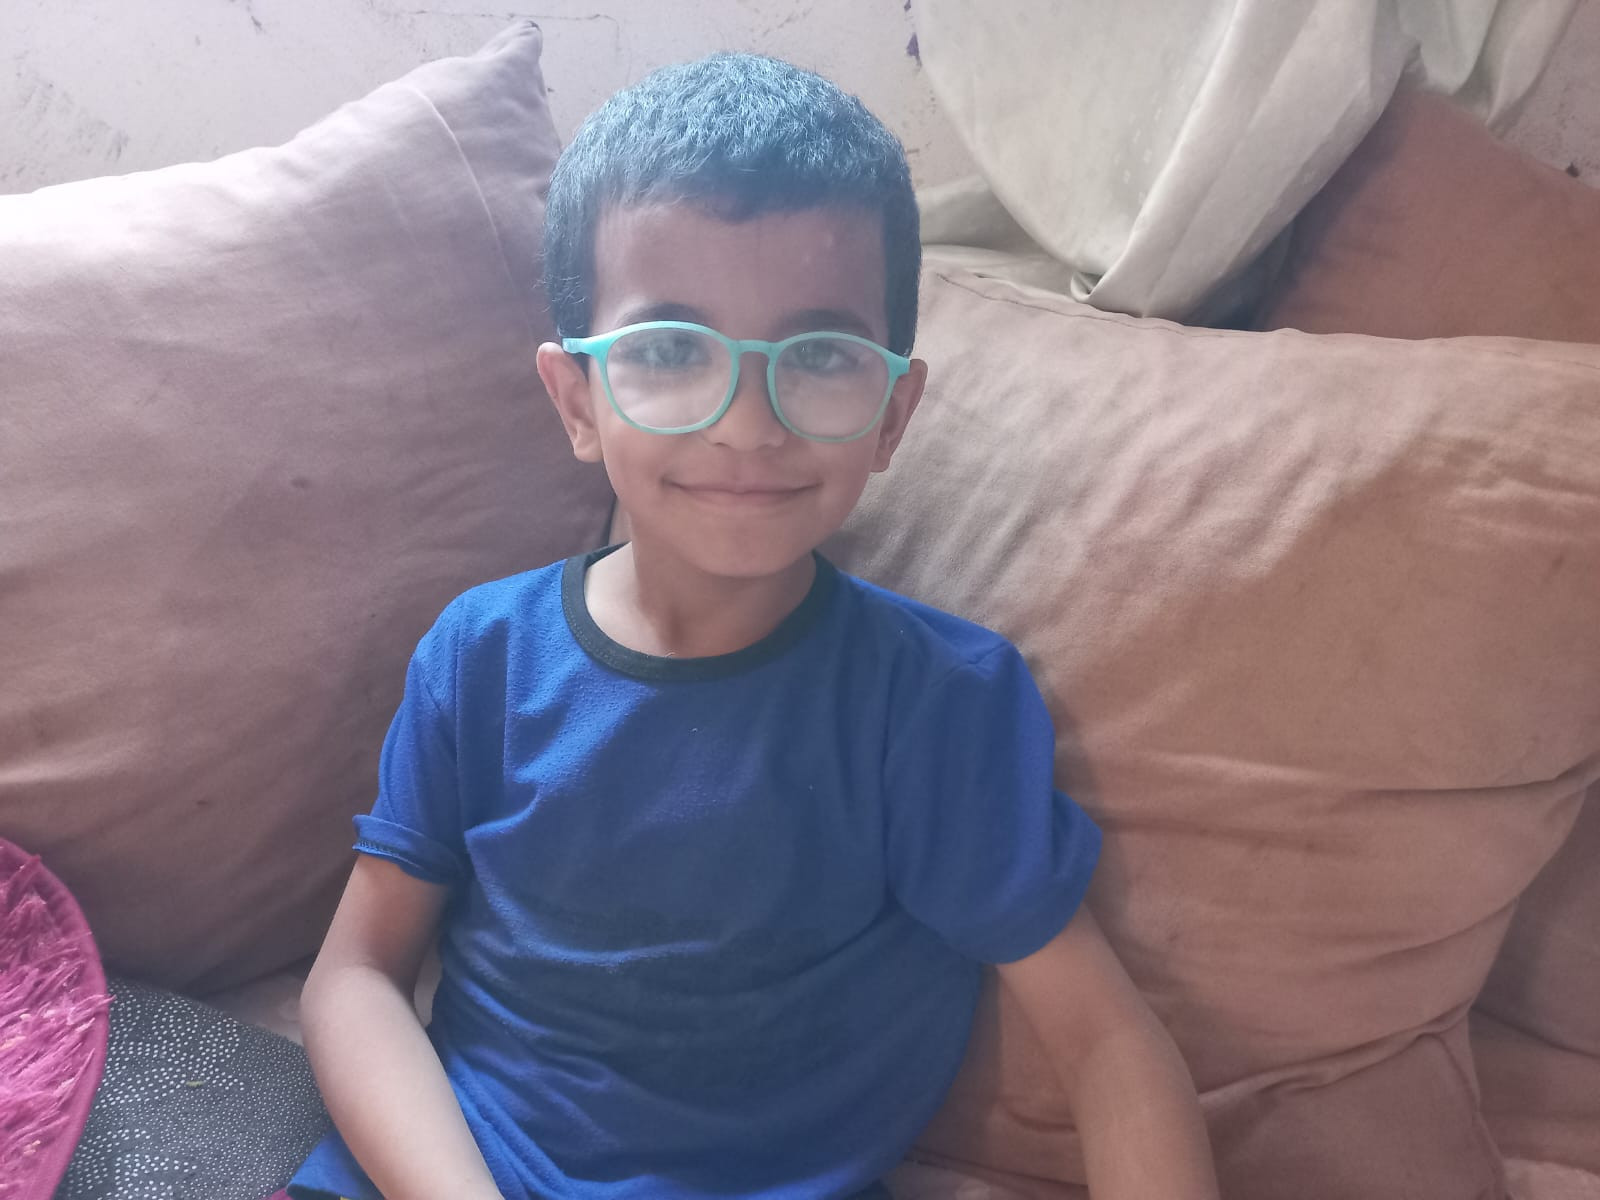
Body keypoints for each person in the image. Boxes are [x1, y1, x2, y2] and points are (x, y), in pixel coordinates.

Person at [287, 52, 1219, 1200]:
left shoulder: (934, 702)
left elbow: (1108, 1045)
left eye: (819, 357)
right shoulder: (480, 656)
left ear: (892, 414)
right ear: (577, 402)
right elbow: (354, 979)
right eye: (670, 350)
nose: (744, 423)